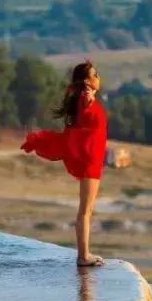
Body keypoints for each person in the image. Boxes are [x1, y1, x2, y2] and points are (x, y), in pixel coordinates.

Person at [21, 61, 108, 267]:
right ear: (87, 80)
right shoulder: (85, 98)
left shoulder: (83, 98)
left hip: (92, 159)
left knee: (86, 210)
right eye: (95, 74)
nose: (98, 77)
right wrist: (88, 99)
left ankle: (84, 254)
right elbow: (84, 117)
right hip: (90, 161)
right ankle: (83, 256)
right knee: (85, 210)